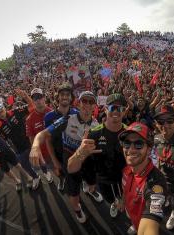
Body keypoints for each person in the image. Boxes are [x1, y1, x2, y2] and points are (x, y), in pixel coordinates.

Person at [30, 91, 103, 224]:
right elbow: (42, 134)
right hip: (70, 161)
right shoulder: (67, 119)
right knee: (74, 192)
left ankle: (91, 190)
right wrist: (35, 146)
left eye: (90, 102)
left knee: (92, 182)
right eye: (84, 101)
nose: (87, 104)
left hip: (87, 160)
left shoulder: (96, 125)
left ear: (95, 106)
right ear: (78, 104)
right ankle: (77, 209)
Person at [68, 93, 128, 219]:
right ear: (106, 109)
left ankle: (127, 209)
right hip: (104, 180)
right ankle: (114, 203)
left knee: (128, 204)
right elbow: (72, 167)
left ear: (124, 111)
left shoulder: (130, 133)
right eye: (113, 108)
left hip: (126, 181)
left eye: (120, 108)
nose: (116, 111)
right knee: (110, 199)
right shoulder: (94, 134)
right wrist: (80, 152)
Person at [117, 122, 168, 235]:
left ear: (149, 149)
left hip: (143, 220)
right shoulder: (127, 169)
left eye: (138, 144)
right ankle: (135, 226)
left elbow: (152, 218)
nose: (131, 149)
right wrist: (123, 200)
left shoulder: (156, 181)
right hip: (130, 211)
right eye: (127, 143)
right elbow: (125, 189)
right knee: (133, 221)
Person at [0, 91, 41, 190]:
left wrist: (26, 97)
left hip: (30, 141)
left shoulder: (16, 111)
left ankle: (46, 173)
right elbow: (5, 139)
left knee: (41, 161)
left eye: (0, 108)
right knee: (24, 164)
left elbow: (32, 107)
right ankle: (35, 177)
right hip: (19, 148)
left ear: (4, 106)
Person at [44, 83, 78, 191]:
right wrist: (54, 160)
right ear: (57, 97)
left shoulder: (77, 114)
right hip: (58, 154)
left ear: (71, 97)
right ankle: (62, 180)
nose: (64, 97)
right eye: (62, 94)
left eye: (67, 95)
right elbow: (48, 139)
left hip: (74, 153)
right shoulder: (49, 117)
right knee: (61, 172)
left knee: (75, 176)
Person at [26, 88, 53, 183]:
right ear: (32, 101)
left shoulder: (52, 112)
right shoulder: (29, 119)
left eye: (39, 97)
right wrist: (37, 153)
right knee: (53, 169)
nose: (37, 100)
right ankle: (50, 175)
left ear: (44, 98)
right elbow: (31, 138)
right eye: (35, 98)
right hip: (44, 154)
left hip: (56, 150)